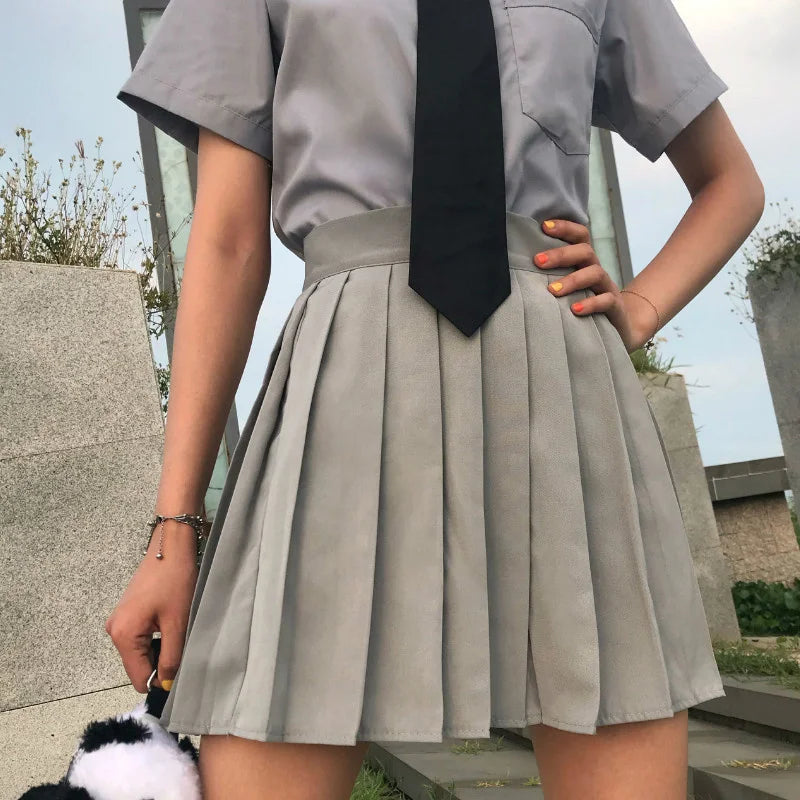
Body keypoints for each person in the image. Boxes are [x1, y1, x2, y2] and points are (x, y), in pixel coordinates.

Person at [106, 0, 764, 797]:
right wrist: (174, 530)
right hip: (340, 400)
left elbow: (731, 182)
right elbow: (227, 241)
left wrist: (641, 307)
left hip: (562, 402)